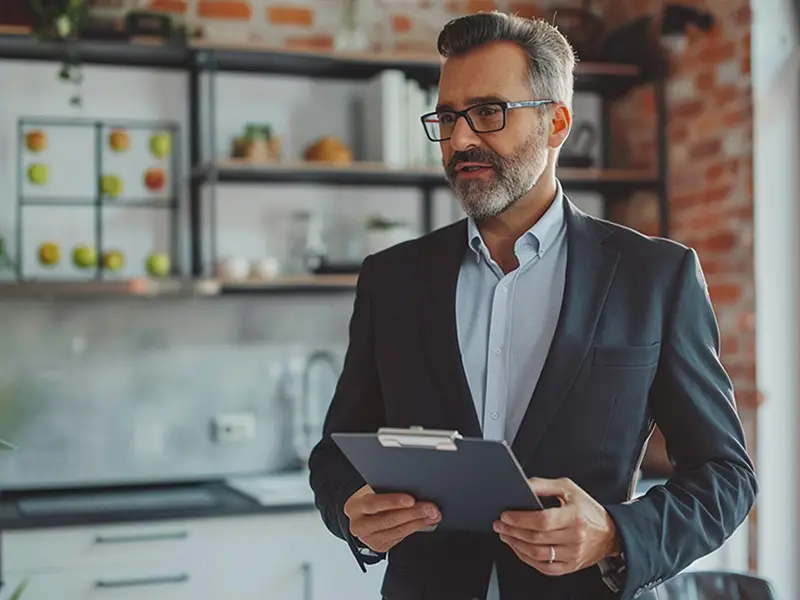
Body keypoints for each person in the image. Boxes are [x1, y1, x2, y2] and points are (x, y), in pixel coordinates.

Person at [308, 11, 758, 600]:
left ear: (557, 123)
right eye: (447, 118)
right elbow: (336, 449)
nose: (461, 139)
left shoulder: (656, 277)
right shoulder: (391, 279)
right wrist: (351, 510)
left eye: (489, 113)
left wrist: (616, 533)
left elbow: (725, 477)